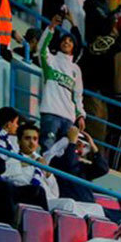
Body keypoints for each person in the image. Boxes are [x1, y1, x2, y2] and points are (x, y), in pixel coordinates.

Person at [36, 15, 87, 150]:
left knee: (63, 154)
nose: (66, 42)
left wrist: (80, 115)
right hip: (50, 113)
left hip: (69, 118)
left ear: (73, 47)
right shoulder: (50, 61)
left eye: (70, 41)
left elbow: (77, 96)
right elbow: (41, 49)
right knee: (47, 148)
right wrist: (51, 28)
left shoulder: (76, 69)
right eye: (64, 40)